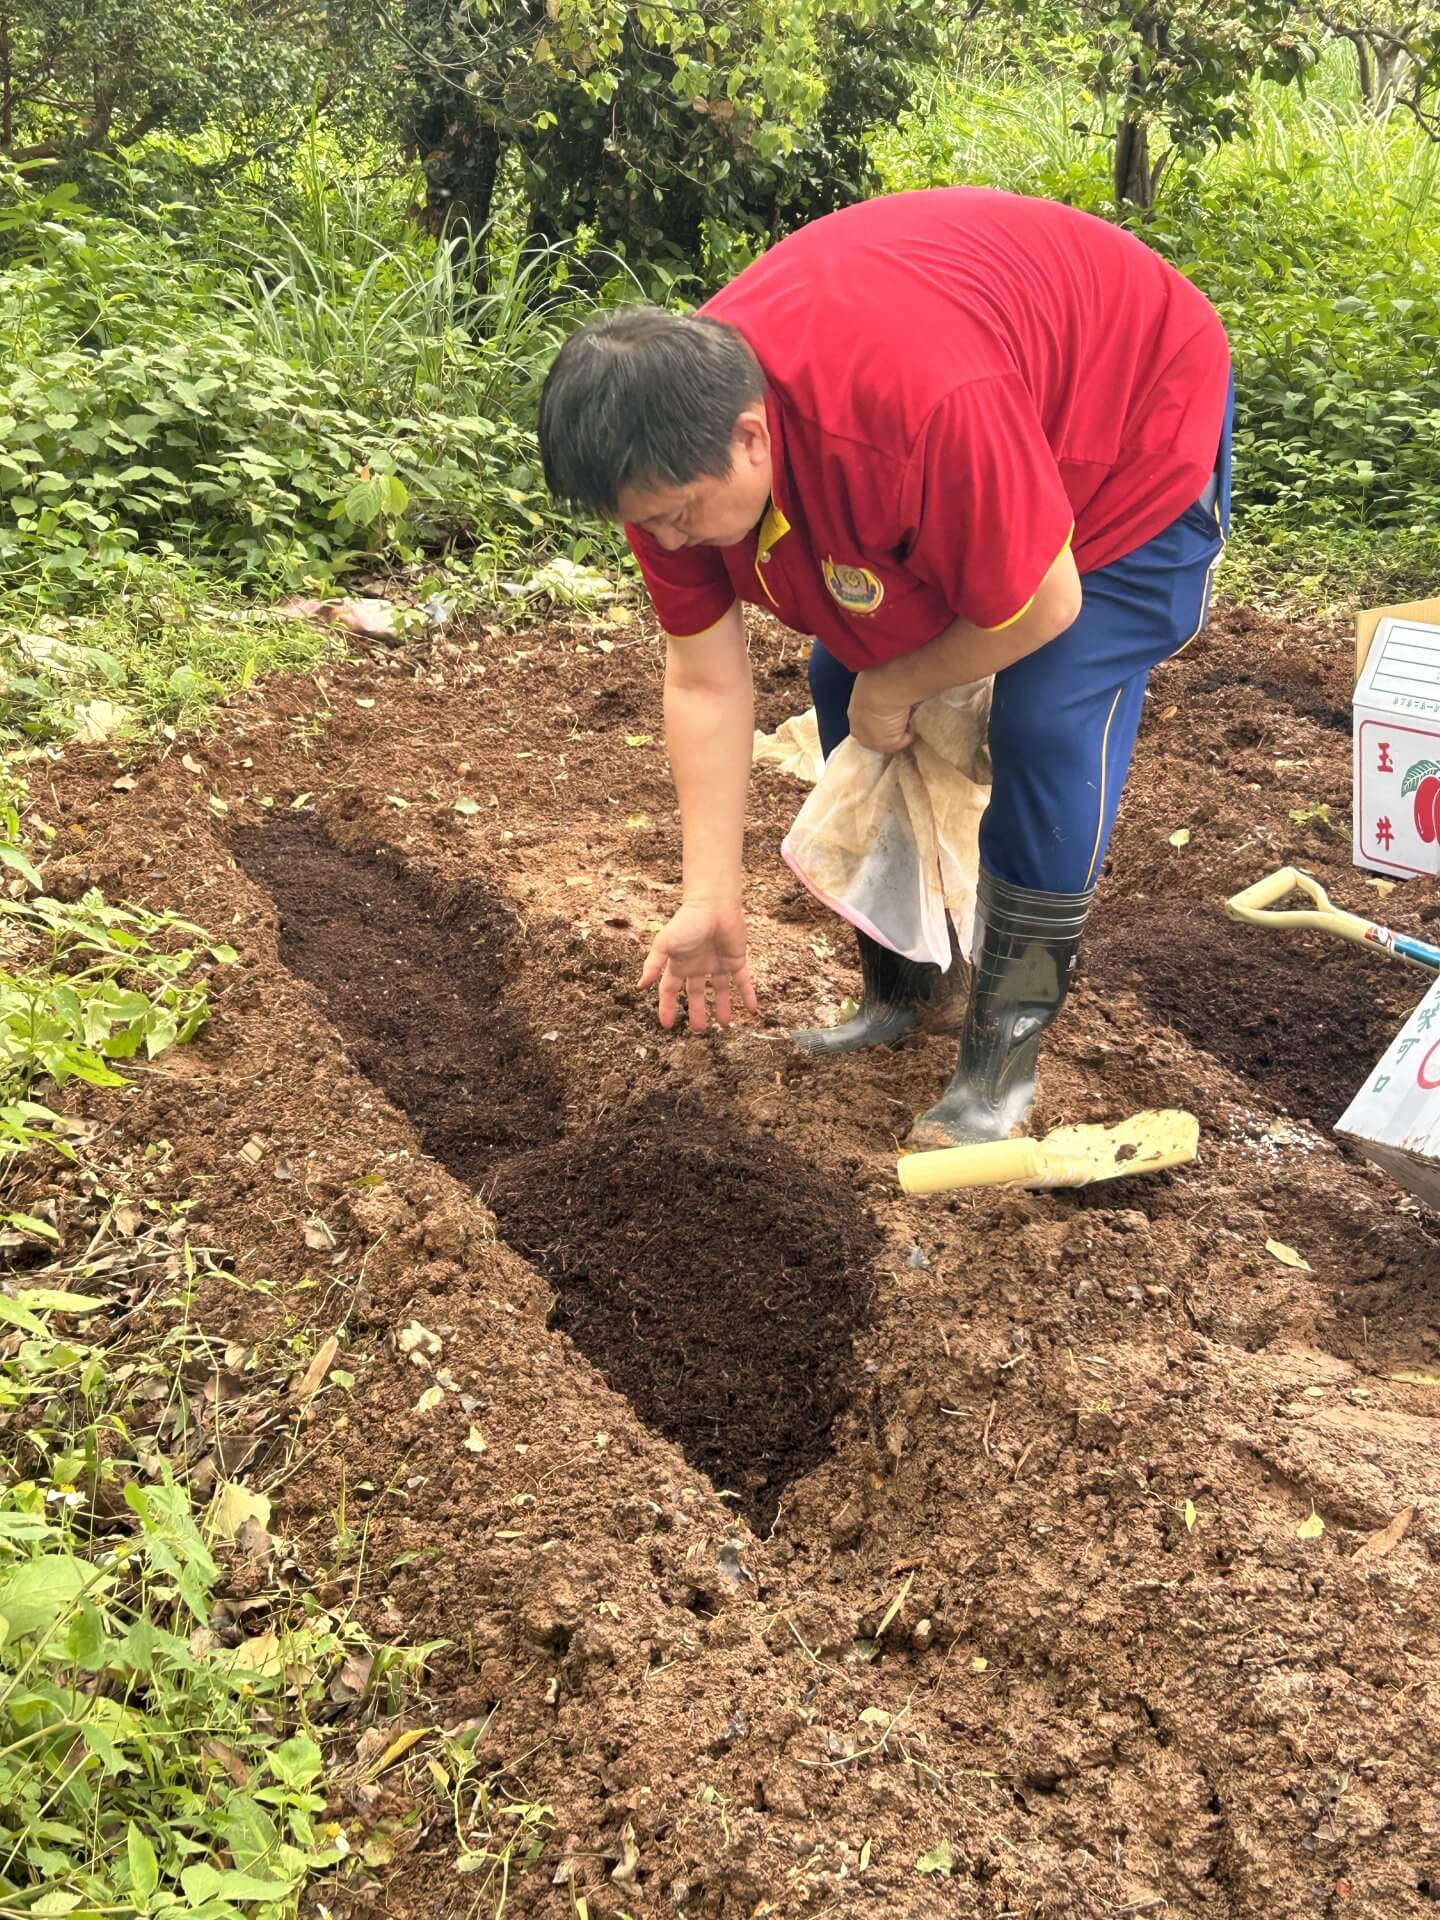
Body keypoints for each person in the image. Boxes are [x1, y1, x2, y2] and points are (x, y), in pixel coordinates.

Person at [537, 187, 1232, 1147]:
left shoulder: (911, 414)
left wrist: (903, 682)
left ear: (750, 437)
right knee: (837, 682)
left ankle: (1002, 1059)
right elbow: (703, 679)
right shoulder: (668, 465)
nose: (665, 539)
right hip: (969, 416)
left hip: (1126, 418)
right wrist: (710, 896)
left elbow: (1048, 600)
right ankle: (908, 990)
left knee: (1045, 715)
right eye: (643, 522)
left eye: (678, 515)